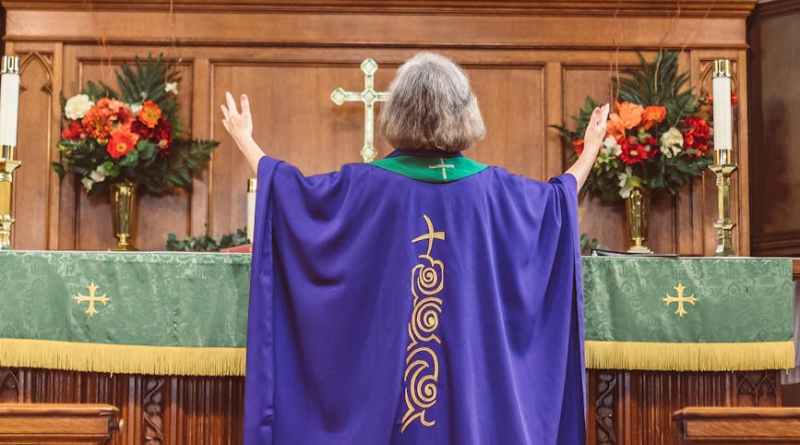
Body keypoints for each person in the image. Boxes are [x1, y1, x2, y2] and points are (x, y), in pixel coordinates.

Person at [222, 52, 609, 445]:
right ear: (465, 112)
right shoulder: (495, 191)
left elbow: (295, 197)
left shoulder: (367, 186)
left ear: (400, 112)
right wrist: (589, 151)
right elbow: (555, 203)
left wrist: (245, 139)